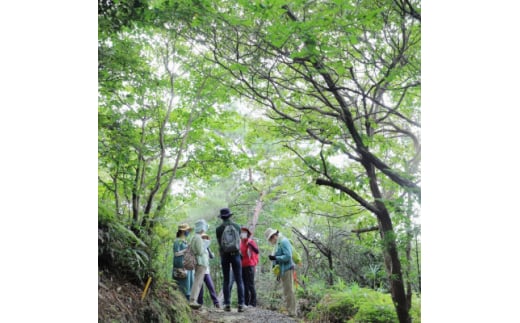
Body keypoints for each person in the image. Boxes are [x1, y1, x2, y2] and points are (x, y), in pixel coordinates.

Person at [216, 207, 246, 312]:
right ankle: (241, 304)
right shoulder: (237, 226)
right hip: (236, 255)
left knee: (226, 279)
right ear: (230, 216)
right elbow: (240, 242)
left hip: (225, 255)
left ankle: (227, 304)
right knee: (239, 279)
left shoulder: (218, 229)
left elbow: (220, 244)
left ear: (222, 218)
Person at [265, 228, 297, 317]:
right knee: (286, 291)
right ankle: (290, 311)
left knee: (289, 291)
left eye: (270, 239)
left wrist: (276, 258)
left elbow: (288, 256)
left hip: (288, 269)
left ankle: (292, 313)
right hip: (284, 270)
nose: (270, 241)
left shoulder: (283, 241)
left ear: (273, 236)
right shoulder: (278, 243)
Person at [188, 219, 210, 309]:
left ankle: (194, 300)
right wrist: (206, 244)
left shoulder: (194, 237)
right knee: (198, 281)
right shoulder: (198, 237)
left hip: (200, 262)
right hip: (201, 262)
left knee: (198, 282)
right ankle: (193, 300)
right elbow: (200, 251)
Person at [197, 233, 220, 308]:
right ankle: (200, 303)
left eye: (206, 238)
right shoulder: (198, 247)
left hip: (206, 271)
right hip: (200, 270)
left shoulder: (207, 248)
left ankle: (216, 303)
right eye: (203, 238)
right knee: (200, 288)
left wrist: (207, 247)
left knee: (211, 286)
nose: (205, 239)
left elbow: (211, 256)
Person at [172, 223, 194, 301]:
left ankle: (189, 300)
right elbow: (176, 253)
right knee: (182, 284)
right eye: (186, 230)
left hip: (187, 265)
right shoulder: (177, 241)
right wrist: (186, 250)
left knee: (189, 283)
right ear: (182, 231)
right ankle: (182, 301)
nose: (188, 232)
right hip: (180, 266)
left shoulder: (185, 241)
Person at [240, 226, 259, 307]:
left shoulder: (250, 241)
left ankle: (253, 303)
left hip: (250, 265)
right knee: (244, 284)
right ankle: (245, 302)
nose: (243, 234)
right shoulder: (240, 243)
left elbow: (257, 251)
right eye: (241, 232)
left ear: (247, 234)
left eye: (244, 232)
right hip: (242, 266)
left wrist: (250, 244)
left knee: (250, 284)